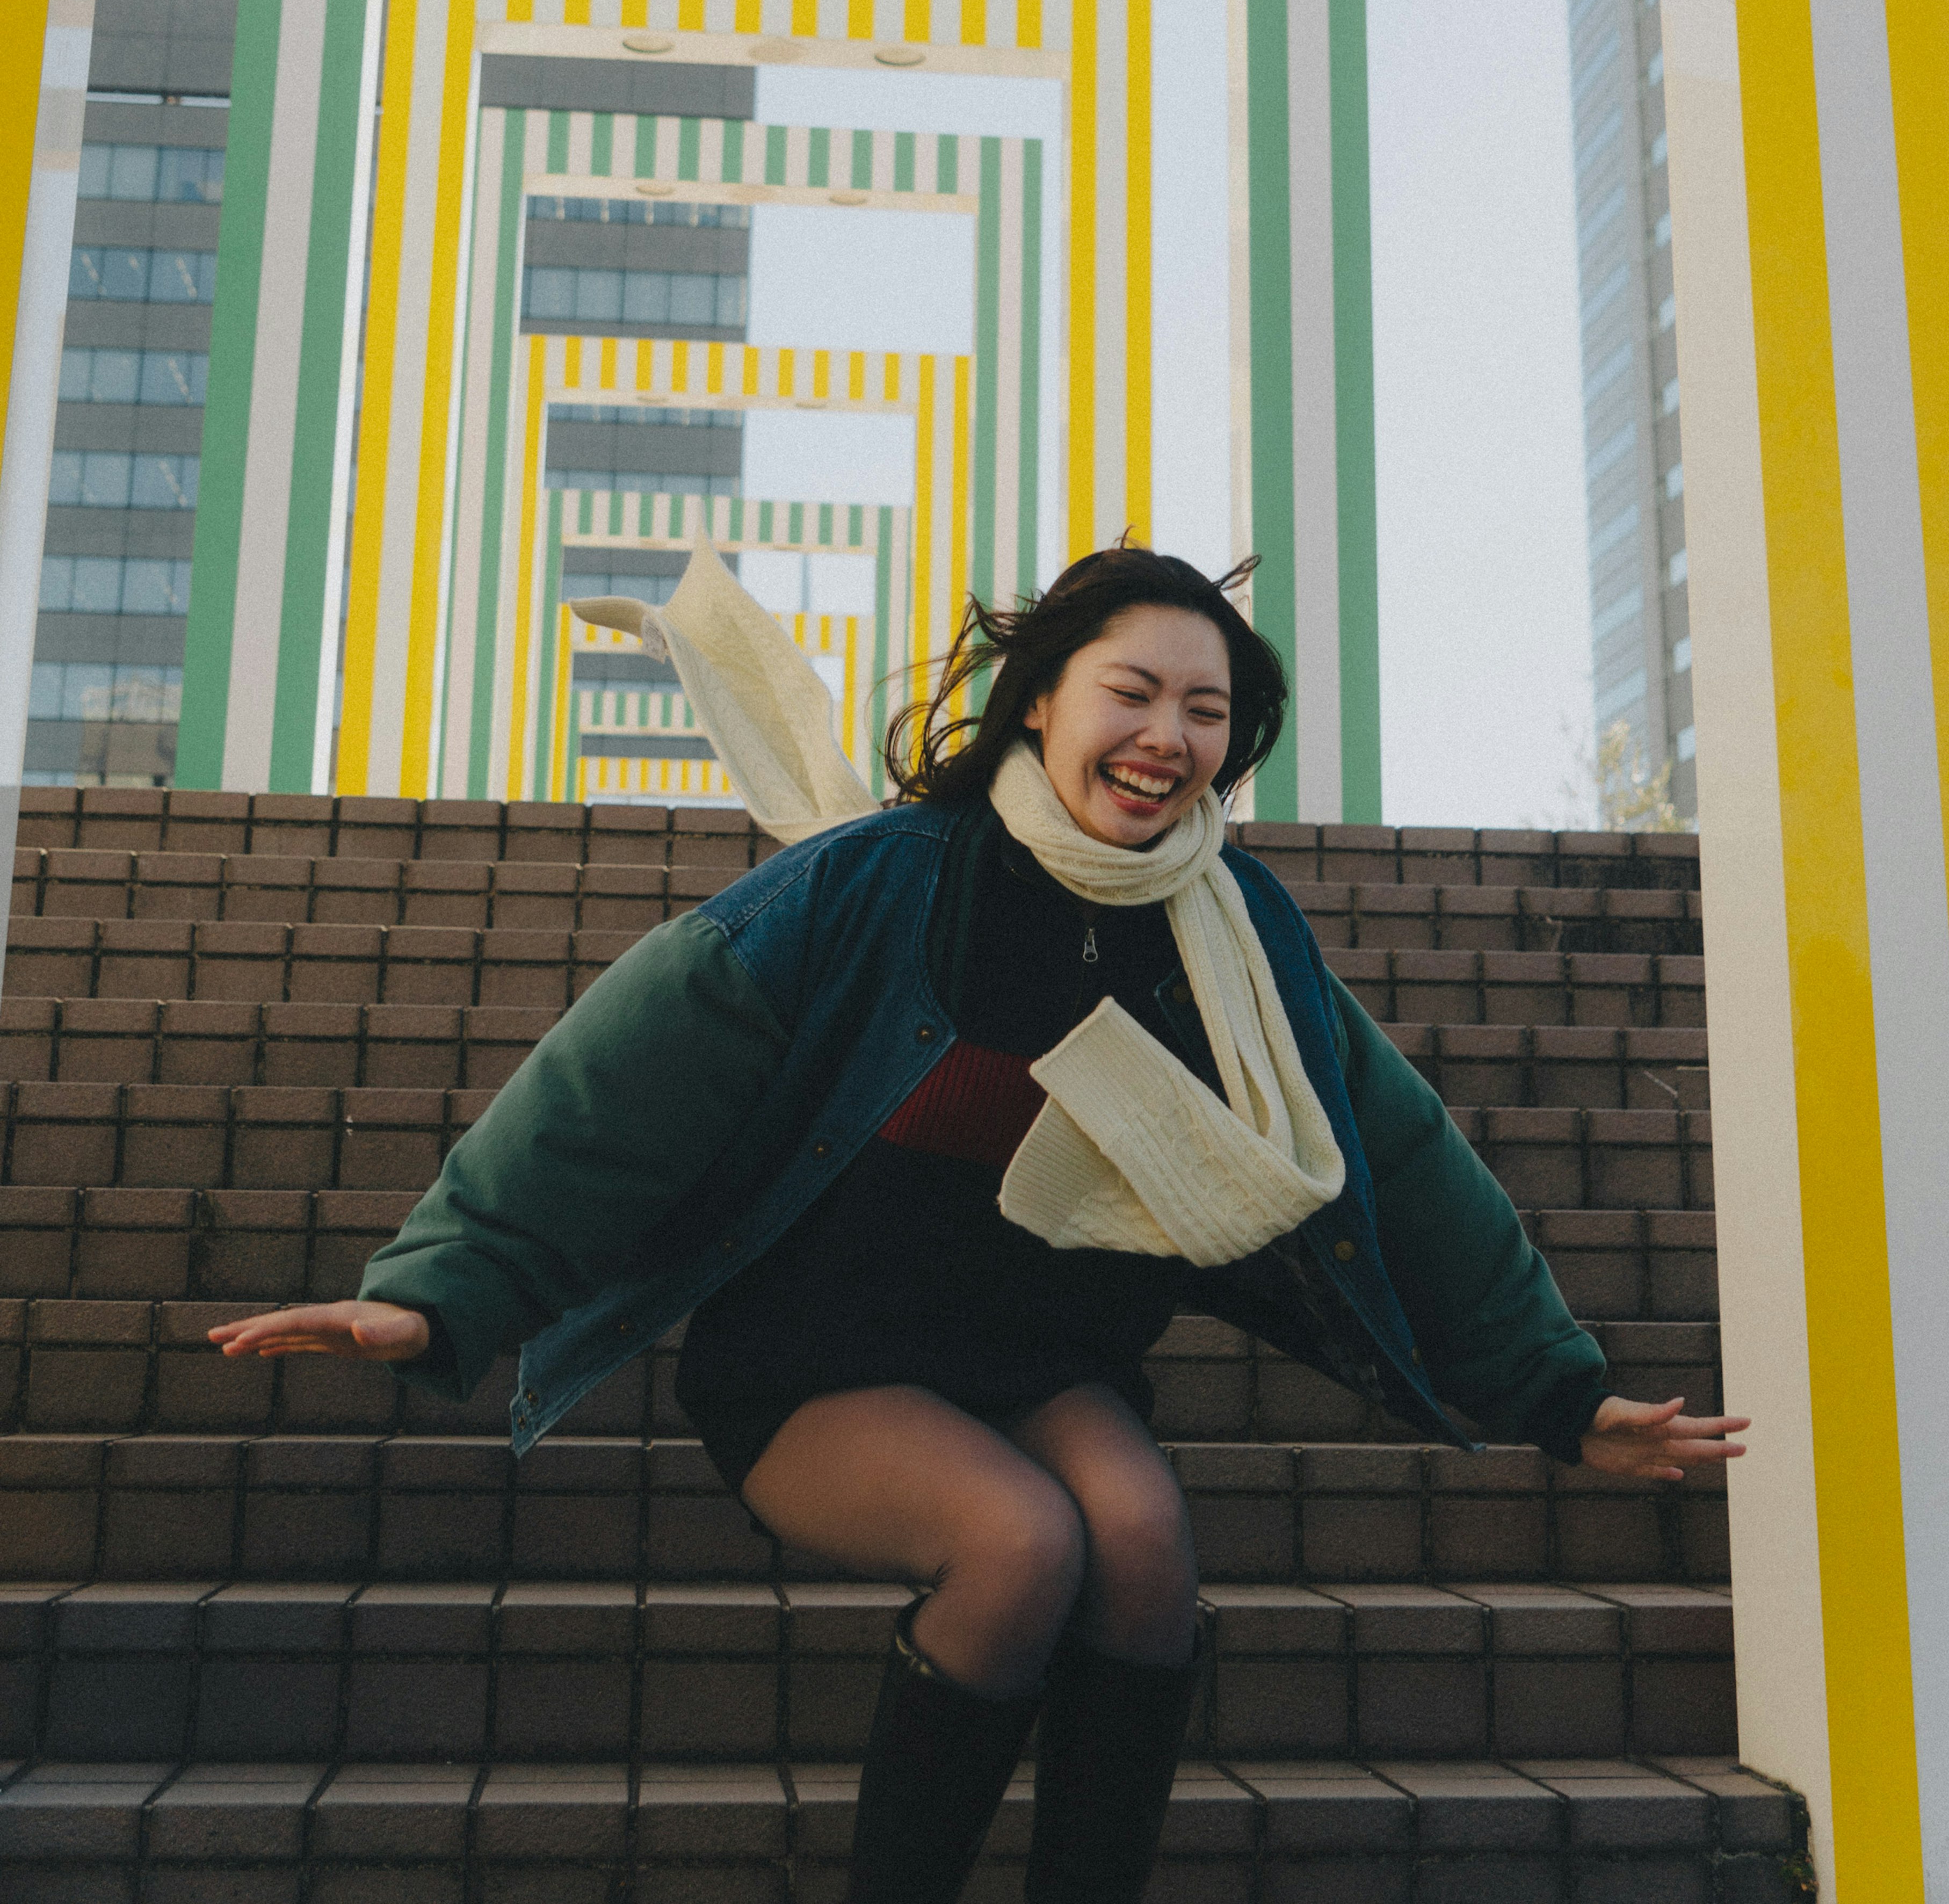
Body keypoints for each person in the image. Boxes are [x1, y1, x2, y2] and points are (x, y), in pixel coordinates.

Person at [212, 543, 1747, 1904]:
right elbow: (621, 1086)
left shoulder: (1236, 934)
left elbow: (1399, 1159)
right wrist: (442, 1288)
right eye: (1132, 693)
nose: (1167, 740)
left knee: (1142, 1540)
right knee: (1020, 1545)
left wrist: (1559, 1392)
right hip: (822, 1363)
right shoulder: (876, 886)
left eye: (1206, 714)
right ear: (1038, 703)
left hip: (1036, 1356)